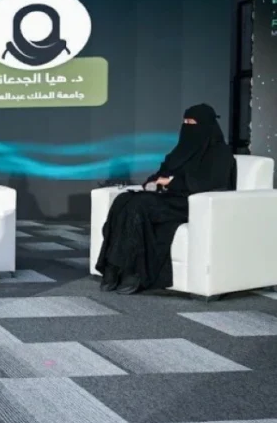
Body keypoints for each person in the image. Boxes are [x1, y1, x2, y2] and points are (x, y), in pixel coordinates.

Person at [96, 104, 237, 294]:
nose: (187, 127)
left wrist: (171, 182)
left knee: (140, 205)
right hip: (168, 198)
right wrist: (153, 182)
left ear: (206, 125)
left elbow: (209, 183)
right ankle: (113, 266)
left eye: (192, 122)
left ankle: (133, 270)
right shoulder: (180, 151)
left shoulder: (220, 154)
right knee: (122, 200)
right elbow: (161, 173)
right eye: (185, 122)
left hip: (190, 203)